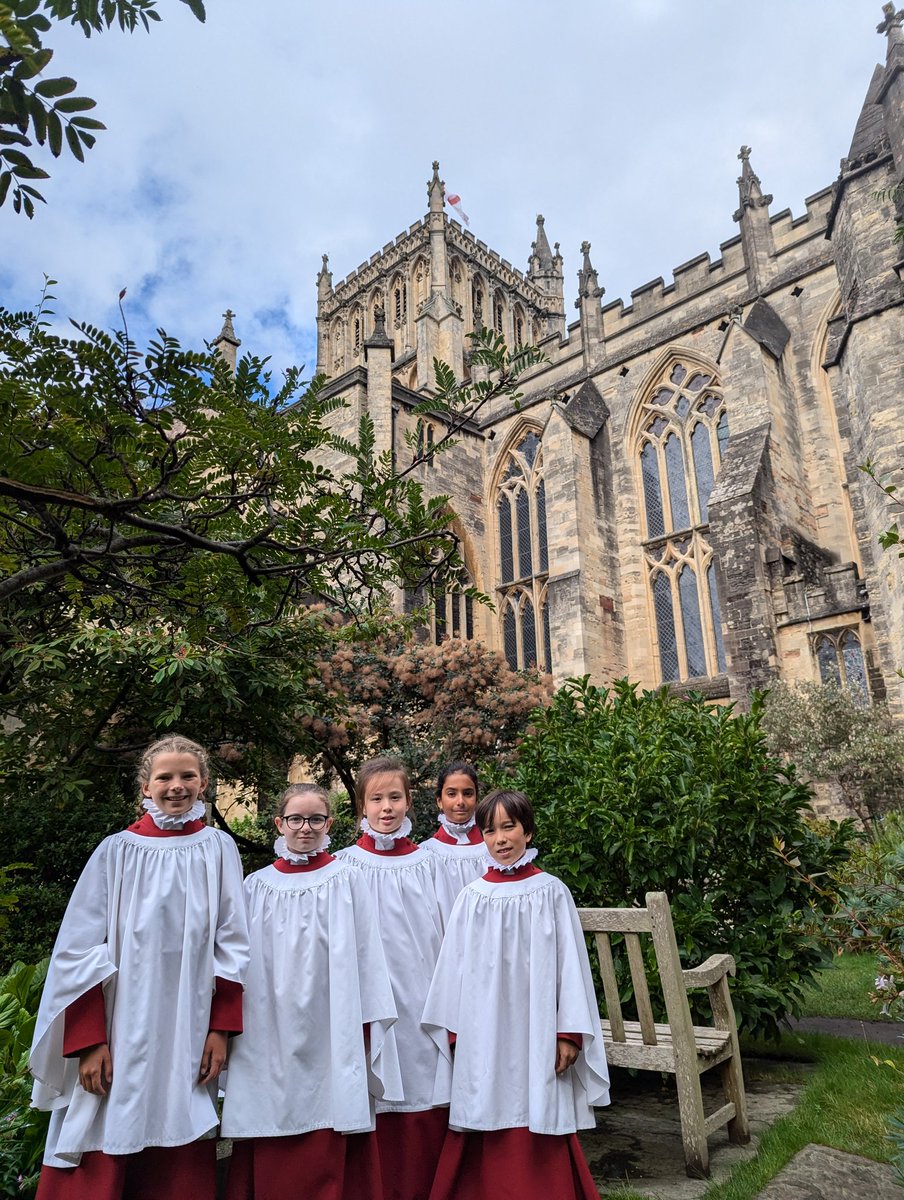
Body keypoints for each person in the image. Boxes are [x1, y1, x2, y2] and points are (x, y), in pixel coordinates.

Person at [29, 734, 250, 1200]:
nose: (176, 786)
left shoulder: (219, 849)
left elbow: (234, 945)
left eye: (187, 776)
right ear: (145, 788)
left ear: (204, 784)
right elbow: (79, 951)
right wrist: (89, 1041)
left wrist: (221, 1029)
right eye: (164, 777)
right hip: (119, 1023)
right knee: (107, 1123)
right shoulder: (117, 851)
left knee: (179, 1128)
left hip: (188, 1026)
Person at [422, 789, 609, 1200]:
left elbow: (571, 968)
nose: (500, 839)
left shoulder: (551, 891)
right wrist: (455, 1035)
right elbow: (451, 972)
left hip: (537, 1029)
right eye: (490, 830)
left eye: (509, 827)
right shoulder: (471, 899)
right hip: (483, 1032)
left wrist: (568, 1034)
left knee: (536, 1102)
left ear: (528, 830)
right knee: (483, 1099)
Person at [221, 782, 403, 1200]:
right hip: (269, 1029)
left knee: (332, 1108)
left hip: (331, 1024)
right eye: (296, 819)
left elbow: (367, 956)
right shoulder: (256, 886)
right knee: (269, 1112)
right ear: (279, 823)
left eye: (316, 819)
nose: (306, 828)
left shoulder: (347, 879)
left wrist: (365, 1024)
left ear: (330, 824)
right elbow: (240, 960)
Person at [335, 758, 451, 1200]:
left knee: (421, 1076)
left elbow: (447, 934)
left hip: (421, 991)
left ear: (410, 802)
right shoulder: (343, 867)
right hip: (366, 995)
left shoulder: (429, 863)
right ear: (361, 806)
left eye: (395, 798)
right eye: (376, 799)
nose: (387, 808)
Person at [418, 762, 485, 924]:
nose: (460, 801)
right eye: (451, 794)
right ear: (439, 801)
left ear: (476, 799)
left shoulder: (493, 849)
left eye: (468, 793)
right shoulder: (426, 854)